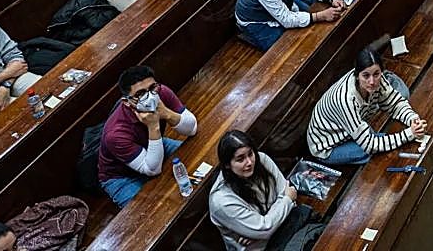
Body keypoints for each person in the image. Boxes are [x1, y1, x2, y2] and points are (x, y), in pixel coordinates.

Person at [97, 64, 197, 206]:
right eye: (140, 94)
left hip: (152, 144)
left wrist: (167, 113)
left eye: (152, 88)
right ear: (127, 102)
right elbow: (152, 169)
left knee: (197, 157)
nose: (149, 96)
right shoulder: (115, 133)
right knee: (149, 213)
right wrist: (153, 126)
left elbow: (192, 128)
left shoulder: (160, 92)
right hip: (122, 177)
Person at [307, 47, 425, 165]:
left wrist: (413, 120)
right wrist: (409, 134)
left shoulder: (377, 79)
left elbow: (395, 104)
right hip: (328, 146)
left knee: (384, 141)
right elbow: (370, 145)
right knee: (375, 151)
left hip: (350, 129)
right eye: (366, 76)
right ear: (357, 75)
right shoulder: (346, 99)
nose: (372, 81)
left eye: (376, 74)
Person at [209, 129, 319, 251]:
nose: (250, 162)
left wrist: (260, 231)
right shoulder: (222, 202)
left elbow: (289, 197)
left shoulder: (261, 159)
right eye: (240, 159)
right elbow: (287, 198)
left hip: (288, 226)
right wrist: (265, 229)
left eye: (250, 154)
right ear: (227, 165)